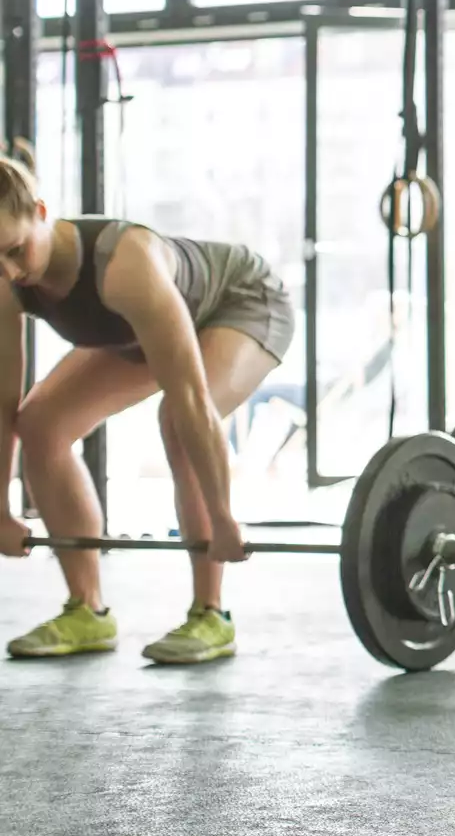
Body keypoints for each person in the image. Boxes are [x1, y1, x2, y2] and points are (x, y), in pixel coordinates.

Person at [0, 155, 295, 664]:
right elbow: (4, 400)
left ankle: (210, 613)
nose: (10, 270)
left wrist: (224, 520)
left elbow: (192, 402)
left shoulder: (124, 265)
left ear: (41, 212)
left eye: (15, 249)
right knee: (39, 422)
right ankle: (86, 610)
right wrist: (0, 511)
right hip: (139, 331)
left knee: (177, 423)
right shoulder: (7, 281)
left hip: (241, 302)